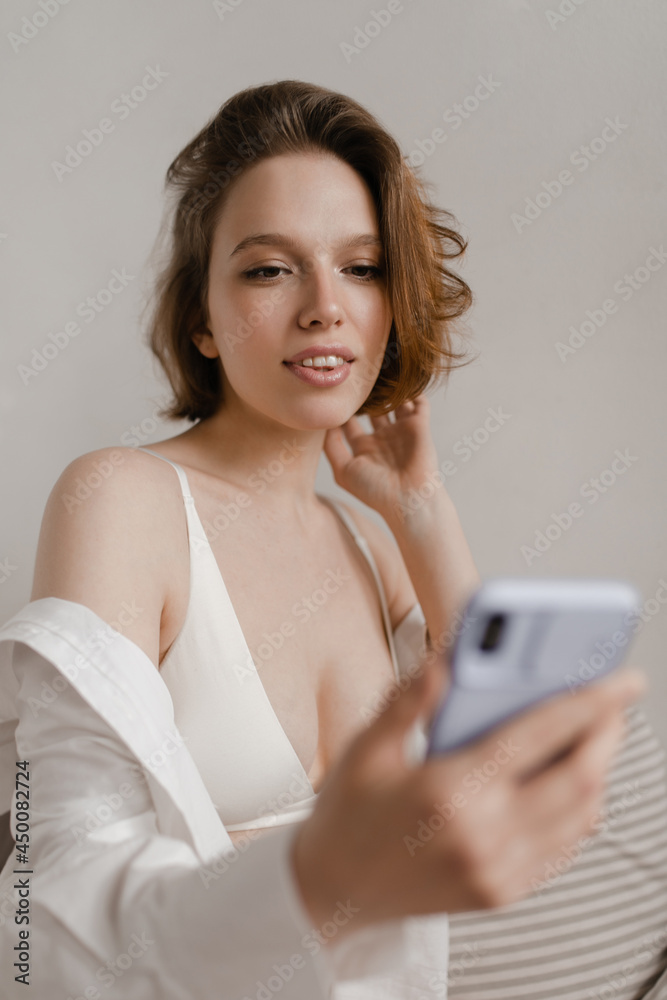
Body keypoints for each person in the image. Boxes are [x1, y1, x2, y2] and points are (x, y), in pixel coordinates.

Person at [0, 79, 664, 999]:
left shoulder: (366, 541)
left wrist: (424, 513)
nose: (324, 307)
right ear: (199, 319)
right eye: (269, 270)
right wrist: (319, 876)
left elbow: (508, 780)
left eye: (361, 267)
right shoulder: (123, 500)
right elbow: (42, 918)